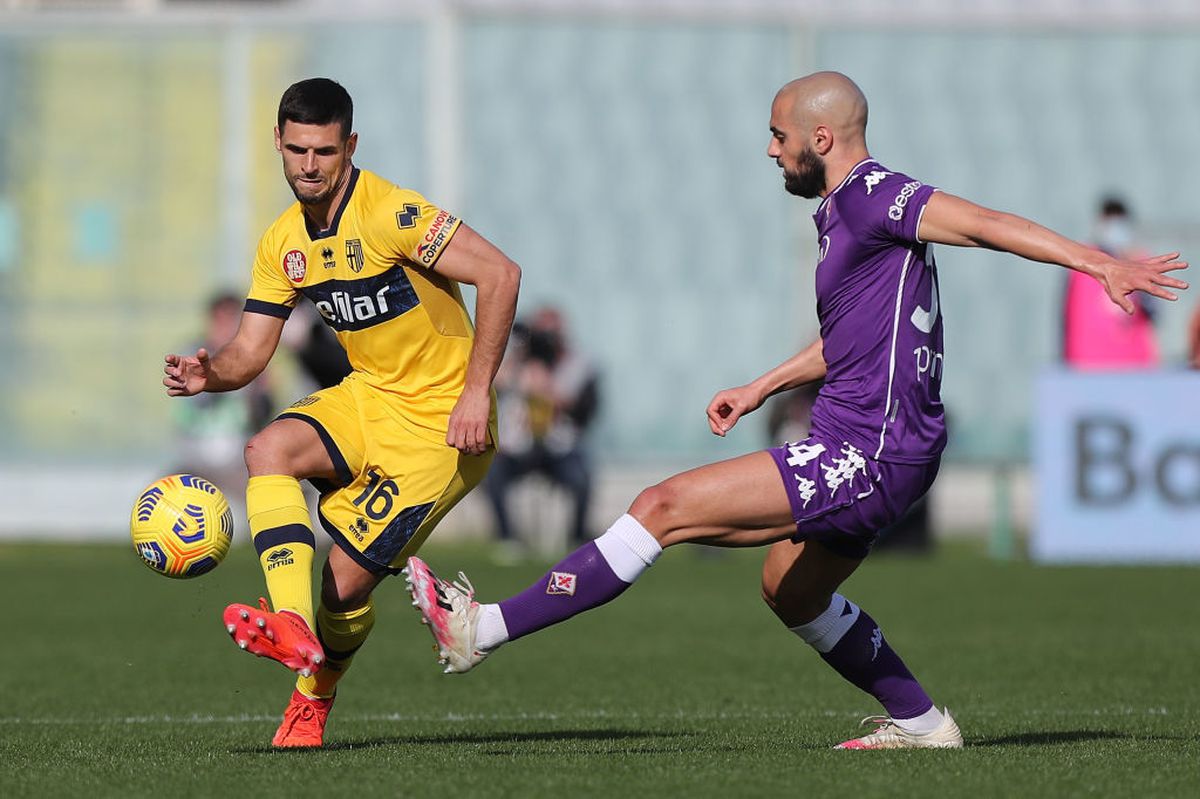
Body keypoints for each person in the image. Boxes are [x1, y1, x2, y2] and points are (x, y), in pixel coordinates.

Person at [403, 72, 1186, 750]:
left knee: (661, 506)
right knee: (789, 587)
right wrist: (761, 386)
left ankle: (482, 631)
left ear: (821, 136)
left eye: (779, 136)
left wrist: (1100, 264)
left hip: (871, 450)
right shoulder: (844, 215)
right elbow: (845, 340)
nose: (770, 150)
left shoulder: (879, 194)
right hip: (877, 443)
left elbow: (988, 224)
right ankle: (919, 722)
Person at [162, 77, 520, 749]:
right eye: (296, 149)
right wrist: (211, 371)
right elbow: (249, 352)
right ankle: (290, 626)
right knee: (268, 449)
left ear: (349, 145)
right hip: (371, 395)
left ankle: (313, 695)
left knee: (345, 589)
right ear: (278, 141)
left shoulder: (393, 214)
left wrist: (477, 391)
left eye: (324, 151)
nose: (308, 165)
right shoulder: (282, 243)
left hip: (441, 427)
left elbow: (501, 274)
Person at [484, 305, 600, 557]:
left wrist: (553, 395)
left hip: (558, 446)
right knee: (492, 475)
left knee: (581, 478)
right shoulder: (517, 365)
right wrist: (518, 363)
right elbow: (491, 387)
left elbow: (587, 412)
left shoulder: (577, 366)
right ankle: (507, 539)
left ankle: (577, 536)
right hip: (518, 447)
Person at [169, 291, 276, 523]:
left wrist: (260, 391)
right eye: (222, 319)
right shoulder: (194, 353)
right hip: (196, 457)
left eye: (232, 320)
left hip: (237, 459)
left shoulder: (253, 361)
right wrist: (217, 374)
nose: (226, 326)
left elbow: (263, 416)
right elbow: (192, 406)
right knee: (160, 500)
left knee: (271, 505)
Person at [1062, 196, 1160, 369]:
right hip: (1089, 361)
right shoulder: (1081, 260)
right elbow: (1066, 313)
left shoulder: (1141, 260)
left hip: (1133, 362)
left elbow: (1154, 312)